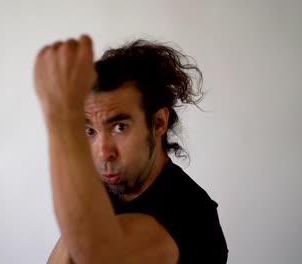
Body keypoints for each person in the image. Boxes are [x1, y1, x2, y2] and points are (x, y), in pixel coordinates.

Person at [34, 35, 228, 264]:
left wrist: (60, 116)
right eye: (89, 131)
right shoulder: (101, 192)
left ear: (158, 123)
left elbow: (94, 256)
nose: (103, 152)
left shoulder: (190, 214)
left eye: (119, 127)